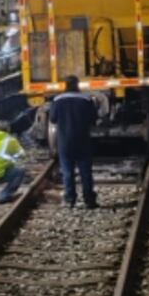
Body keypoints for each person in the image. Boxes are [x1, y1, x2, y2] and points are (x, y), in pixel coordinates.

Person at [49, 75, 97, 209]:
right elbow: (93, 118)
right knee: (86, 172)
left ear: (65, 85)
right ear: (77, 84)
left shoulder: (57, 100)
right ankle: (89, 200)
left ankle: (70, 199)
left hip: (65, 141)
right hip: (83, 140)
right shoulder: (86, 99)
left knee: (68, 172)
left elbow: (53, 119)